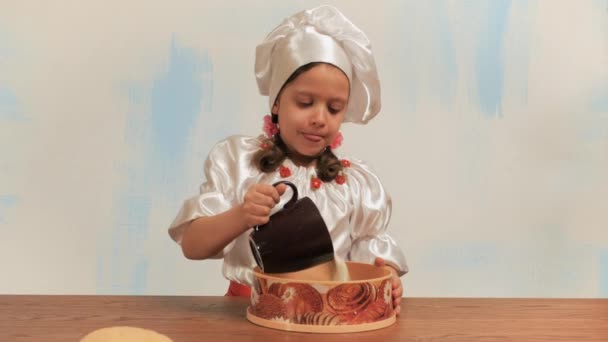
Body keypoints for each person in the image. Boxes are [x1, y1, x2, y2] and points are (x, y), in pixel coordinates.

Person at [168, 5, 408, 314]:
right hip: (246, 317)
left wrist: (386, 277)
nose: (320, 118)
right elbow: (193, 246)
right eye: (305, 102)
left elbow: (373, 258)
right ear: (277, 101)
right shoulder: (240, 162)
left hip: (327, 319)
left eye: (334, 109)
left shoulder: (354, 184)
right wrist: (242, 215)